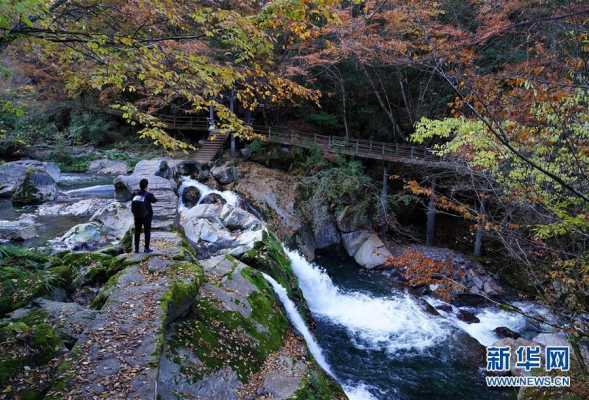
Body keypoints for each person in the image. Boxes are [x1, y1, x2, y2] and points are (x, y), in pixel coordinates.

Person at [131, 178, 157, 253]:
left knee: (137, 232)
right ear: (146, 186)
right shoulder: (149, 194)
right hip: (147, 216)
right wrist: (148, 192)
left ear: (140, 186)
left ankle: (136, 249)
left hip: (137, 216)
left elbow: (132, 201)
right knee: (147, 232)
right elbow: (155, 200)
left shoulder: (135, 194)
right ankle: (146, 248)